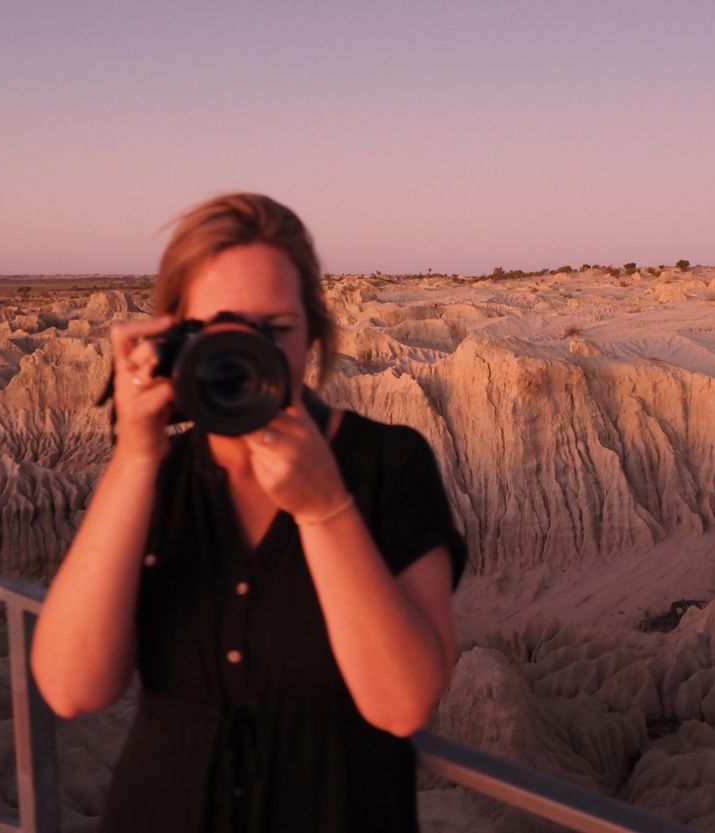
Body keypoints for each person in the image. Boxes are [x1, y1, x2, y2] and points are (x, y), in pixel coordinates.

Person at [30, 193, 467, 832]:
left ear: (313, 334)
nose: (246, 353)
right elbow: (72, 688)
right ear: (174, 337)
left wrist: (326, 510)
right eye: (219, 329)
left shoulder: (389, 463)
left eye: (273, 330)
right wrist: (135, 455)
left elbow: (403, 706)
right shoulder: (157, 476)